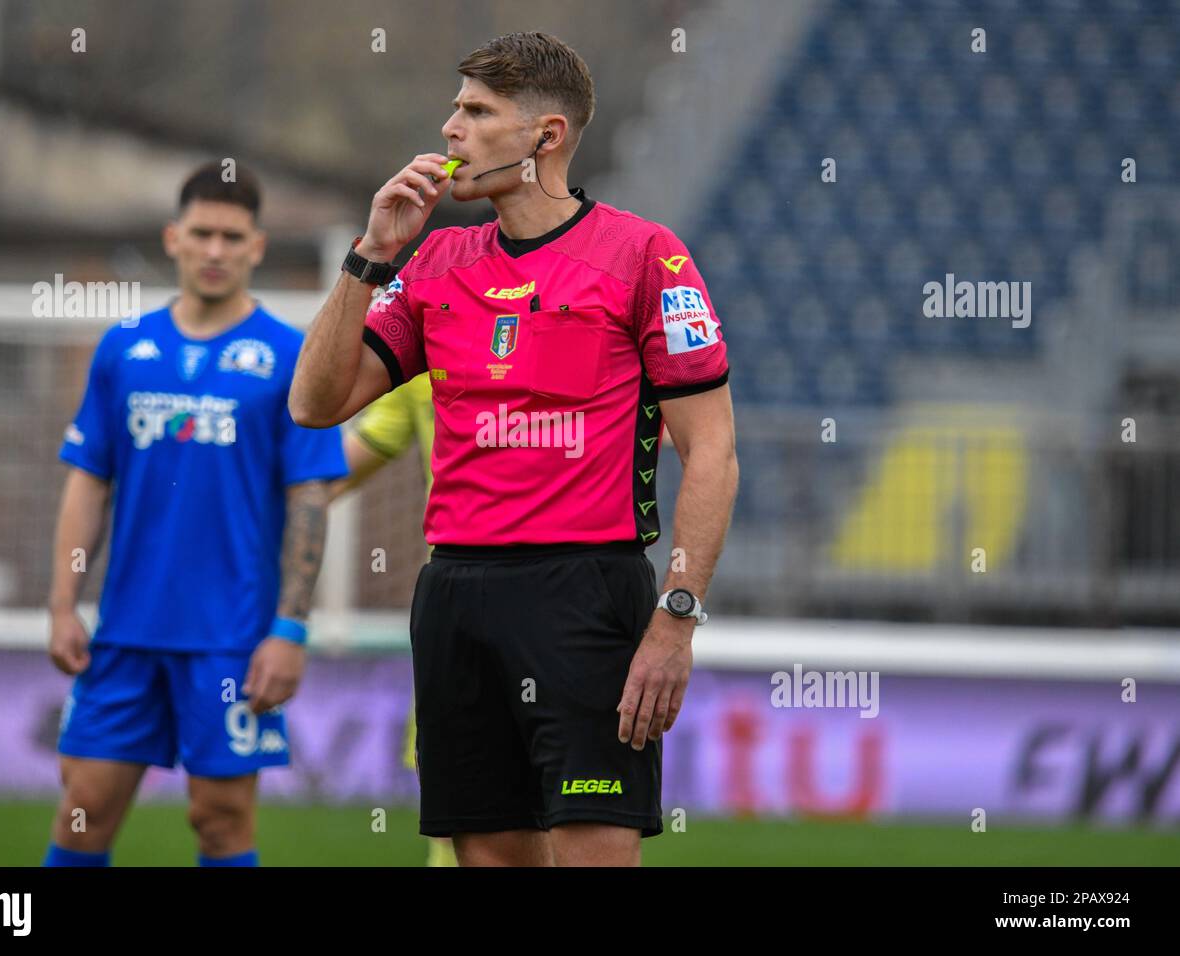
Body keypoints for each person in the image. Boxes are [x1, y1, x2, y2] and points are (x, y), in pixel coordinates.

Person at [289, 31, 739, 867]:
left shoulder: (646, 256)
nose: (450, 128)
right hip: (456, 592)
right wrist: (372, 254)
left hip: (585, 592)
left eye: (476, 111)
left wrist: (676, 618)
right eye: (457, 108)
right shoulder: (434, 263)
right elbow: (314, 402)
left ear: (546, 137)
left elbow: (710, 452)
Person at [44, 163, 347, 867]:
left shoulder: (289, 356)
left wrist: (290, 629)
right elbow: (88, 481)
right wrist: (63, 604)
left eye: (232, 237)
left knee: (219, 820)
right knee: (82, 808)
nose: (215, 250)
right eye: (203, 233)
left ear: (257, 247)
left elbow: (311, 496)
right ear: (174, 238)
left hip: (232, 638)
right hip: (125, 631)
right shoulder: (124, 347)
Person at [327, 371, 457, 866]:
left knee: (571, 817)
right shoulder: (425, 353)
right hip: (459, 610)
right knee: (455, 815)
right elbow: (330, 472)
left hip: (570, 603)